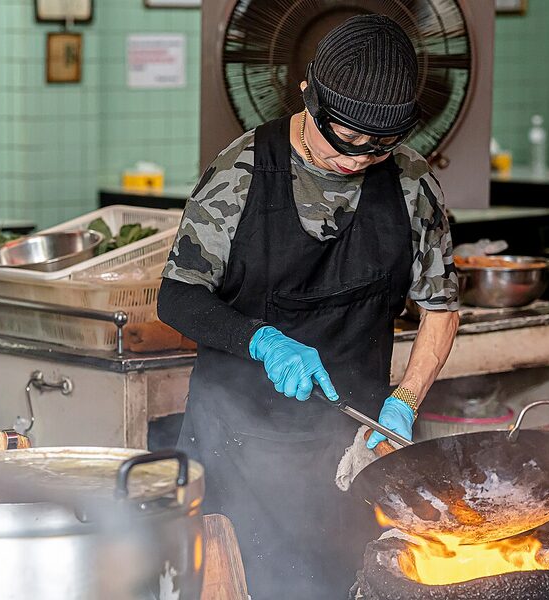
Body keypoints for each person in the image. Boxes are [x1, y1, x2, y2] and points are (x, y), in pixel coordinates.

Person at [157, 14, 460, 599]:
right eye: (344, 140)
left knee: (345, 583)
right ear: (308, 94)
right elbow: (177, 296)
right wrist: (260, 340)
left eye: (378, 148)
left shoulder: (411, 184)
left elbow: (441, 306)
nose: (357, 160)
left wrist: (404, 401)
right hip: (237, 445)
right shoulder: (241, 172)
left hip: (352, 446)